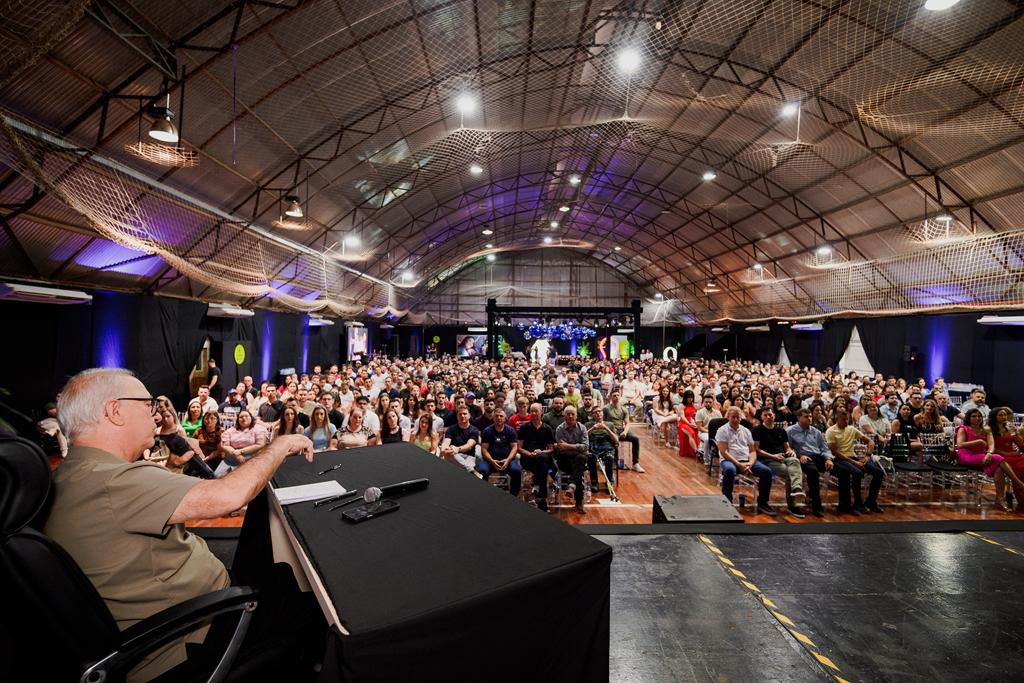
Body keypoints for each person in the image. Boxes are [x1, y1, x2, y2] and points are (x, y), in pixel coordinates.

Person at [43, 368, 321, 682]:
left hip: (161, 619)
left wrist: (172, 472)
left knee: (281, 574)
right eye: (148, 405)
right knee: (311, 605)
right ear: (114, 411)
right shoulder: (114, 480)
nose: (157, 414)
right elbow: (230, 495)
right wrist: (281, 446)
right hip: (194, 632)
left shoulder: (67, 476)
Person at [957, 408, 1024, 511]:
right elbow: (960, 445)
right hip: (966, 455)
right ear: (968, 418)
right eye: (974, 416)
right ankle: (1019, 484)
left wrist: (989, 453)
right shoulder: (963, 428)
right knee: (998, 458)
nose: (977, 418)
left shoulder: (986, 429)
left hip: (982, 455)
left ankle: (999, 499)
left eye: (979, 416)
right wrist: (978, 442)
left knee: (999, 469)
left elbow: (991, 445)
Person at [716, 406, 776, 515]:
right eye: (733, 417)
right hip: (729, 460)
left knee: (766, 472)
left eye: (738, 417)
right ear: (728, 417)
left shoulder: (746, 431)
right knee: (729, 471)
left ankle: (763, 502)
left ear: (741, 418)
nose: (735, 420)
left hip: (747, 461)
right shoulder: (722, 430)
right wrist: (739, 464)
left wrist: (750, 463)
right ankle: (727, 501)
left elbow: (752, 451)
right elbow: (724, 452)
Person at [826, 410, 883, 515]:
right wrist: (854, 463)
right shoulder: (831, 431)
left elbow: (870, 441)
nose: (846, 421)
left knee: (879, 472)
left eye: (847, 419)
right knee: (857, 472)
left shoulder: (851, 429)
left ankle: (871, 502)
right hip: (839, 459)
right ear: (837, 419)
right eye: (843, 420)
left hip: (853, 457)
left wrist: (867, 455)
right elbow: (835, 452)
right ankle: (858, 503)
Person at [752, 408, 806, 517]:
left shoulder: (781, 430)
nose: (768, 417)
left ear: (774, 416)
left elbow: (787, 447)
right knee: (788, 472)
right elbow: (757, 450)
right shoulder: (757, 430)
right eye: (766, 415)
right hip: (767, 459)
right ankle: (792, 505)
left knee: (795, 460)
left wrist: (790, 451)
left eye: (770, 415)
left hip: (783, 456)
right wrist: (773, 456)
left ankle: (797, 488)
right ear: (762, 417)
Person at [785, 409, 828, 517]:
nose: (809, 418)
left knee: (842, 469)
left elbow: (824, 448)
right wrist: (799, 456)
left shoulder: (815, 431)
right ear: (799, 418)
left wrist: (828, 459)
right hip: (802, 457)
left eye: (810, 416)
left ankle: (846, 504)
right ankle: (816, 505)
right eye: (806, 416)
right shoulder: (790, 431)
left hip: (817, 457)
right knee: (813, 472)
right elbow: (788, 449)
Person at [517, 403, 555, 511]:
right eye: (532, 411)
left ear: (541, 412)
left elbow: (551, 449)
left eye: (536, 411)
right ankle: (542, 498)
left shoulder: (547, 428)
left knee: (542, 458)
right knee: (542, 465)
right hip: (528, 458)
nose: (534, 413)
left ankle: (537, 489)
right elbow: (519, 447)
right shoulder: (524, 427)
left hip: (543, 457)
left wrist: (541, 451)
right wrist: (528, 453)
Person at [554, 405, 589, 514]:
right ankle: (578, 502)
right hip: (564, 460)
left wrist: (568, 446)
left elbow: (586, 446)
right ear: (564, 416)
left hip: (577, 459)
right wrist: (576, 448)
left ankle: (572, 486)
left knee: (581, 458)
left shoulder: (582, 428)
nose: (570, 416)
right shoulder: (560, 429)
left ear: (576, 416)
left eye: (572, 414)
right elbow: (561, 448)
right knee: (579, 468)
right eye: (568, 414)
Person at [478, 410, 521, 496]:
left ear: (505, 418)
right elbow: (484, 450)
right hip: (490, 461)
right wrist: (492, 461)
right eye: (496, 416)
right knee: (482, 471)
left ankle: (514, 496)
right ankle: (484, 495)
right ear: (493, 418)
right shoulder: (487, 431)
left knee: (516, 471)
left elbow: (514, 447)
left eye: (501, 416)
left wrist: (507, 460)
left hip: (507, 461)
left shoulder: (510, 430)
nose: (499, 418)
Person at [989, 407, 1024, 511]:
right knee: (1018, 468)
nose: (1004, 417)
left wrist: (1017, 435)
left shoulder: (1010, 428)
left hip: (1014, 455)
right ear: (994, 417)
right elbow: (989, 448)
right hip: (999, 456)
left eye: (1005, 415)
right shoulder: (989, 429)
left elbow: (1021, 445)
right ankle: (1021, 493)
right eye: (1000, 415)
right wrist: (1006, 453)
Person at [217, 409, 269, 477]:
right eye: (241, 417)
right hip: (231, 459)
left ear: (251, 417)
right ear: (238, 420)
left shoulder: (259, 429)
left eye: (246, 416)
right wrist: (236, 454)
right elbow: (225, 446)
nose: (244, 418)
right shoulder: (231, 430)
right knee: (217, 476)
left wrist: (241, 451)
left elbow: (260, 444)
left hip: (251, 461)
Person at [604, 390, 644, 473]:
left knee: (635, 439)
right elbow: (603, 422)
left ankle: (635, 463)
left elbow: (627, 423)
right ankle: (613, 462)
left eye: (618, 395)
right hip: (610, 432)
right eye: (614, 395)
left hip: (621, 430)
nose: (616, 397)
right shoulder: (606, 408)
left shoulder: (623, 409)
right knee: (612, 441)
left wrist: (625, 432)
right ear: (611, 397)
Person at [439, 406, 479, 472]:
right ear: (457, 417)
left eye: (464, 414)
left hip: (469, 456)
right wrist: (444, 448)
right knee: (449, 453)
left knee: (453, 456)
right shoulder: (451, 429)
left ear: (469, 415)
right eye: (460, 414)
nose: (462, 416)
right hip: (453, 455)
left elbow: (469, 446)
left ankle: (469, 470)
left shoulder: (474, 430)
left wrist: (457, 449)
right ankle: (472, 471)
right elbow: (446, 442)